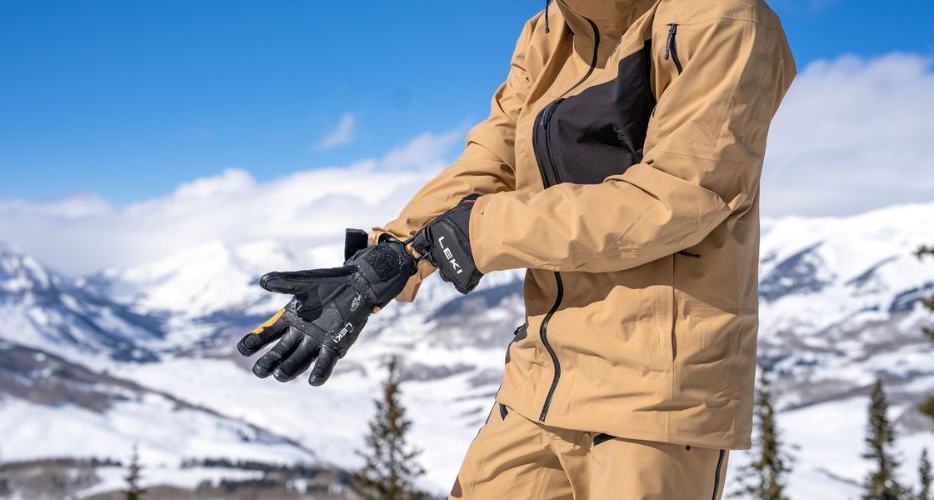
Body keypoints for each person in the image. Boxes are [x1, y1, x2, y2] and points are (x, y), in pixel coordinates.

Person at [236, 0, 796, 497]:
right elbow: (495, 159)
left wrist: (479, 232)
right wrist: (391, 256)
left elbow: (678, 194)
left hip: (655, 395)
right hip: (542, 377)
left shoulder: (723, 17)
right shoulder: (551, 28)